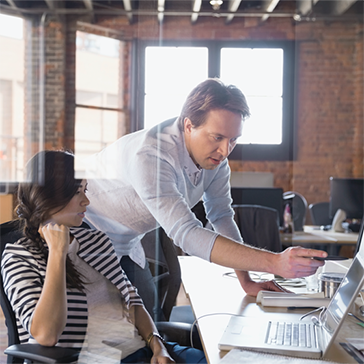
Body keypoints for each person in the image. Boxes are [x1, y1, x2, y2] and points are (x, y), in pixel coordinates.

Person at [83, 78, 327, 319]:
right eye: (217, 137)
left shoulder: (217, 161)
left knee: (147, 323)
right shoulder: (151, 156)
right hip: (87, 231)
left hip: (129, 240)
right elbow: (187, 234)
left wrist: (247, 280)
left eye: (233, 139)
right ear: (188, 126)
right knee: (112, 333)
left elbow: (221, 215)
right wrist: (274, 263)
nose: (225, 150)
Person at [1, 150, 207, 364]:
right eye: (77, 192)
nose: (86, 201)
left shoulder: (95, 240)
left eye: (86, 190)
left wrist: (158, 347)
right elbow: (46, 335)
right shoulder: (19, 257)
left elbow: (133, 302)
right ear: (50, 196)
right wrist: (57, 253)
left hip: (144, 352)